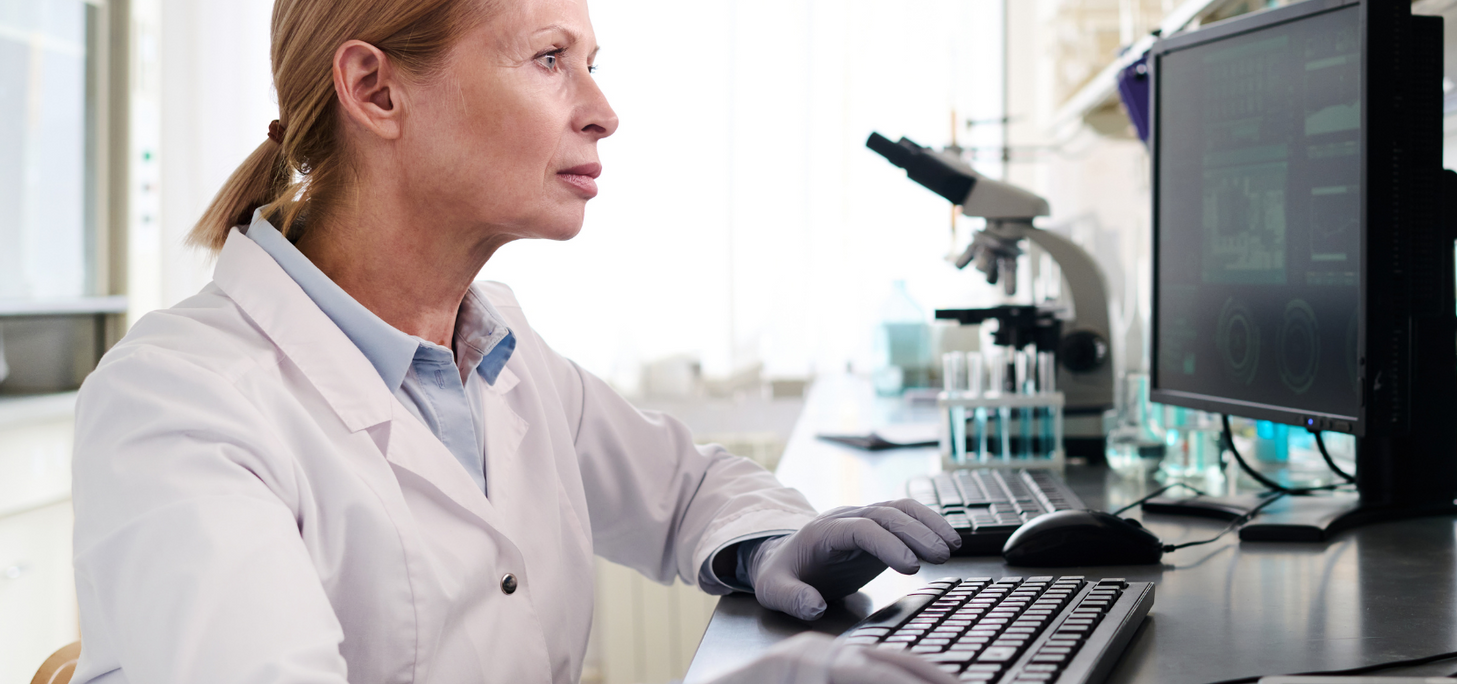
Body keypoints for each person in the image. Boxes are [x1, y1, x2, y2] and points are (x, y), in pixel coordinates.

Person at [68, 1, 962, 682]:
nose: (603, 111)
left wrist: (767, 547)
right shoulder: (179, 404)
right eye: (549, 59)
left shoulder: (496, 345)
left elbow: (684, 489)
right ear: (376, 90)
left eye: (591, 64)